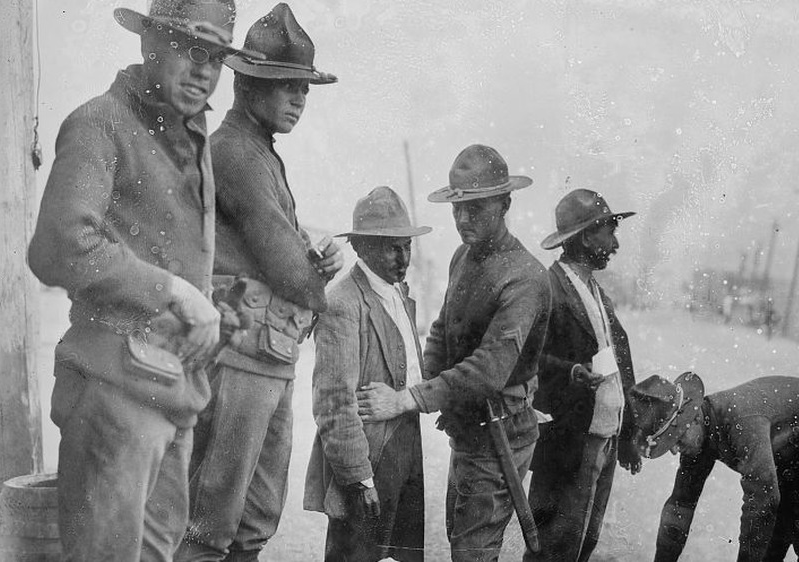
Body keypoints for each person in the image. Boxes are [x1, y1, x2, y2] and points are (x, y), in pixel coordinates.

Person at [26, 0, 260, 559]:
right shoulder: (99, 122)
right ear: (149, 45)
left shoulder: (190, 136)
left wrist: (216, 307)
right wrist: (175, 292)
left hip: (172, 394)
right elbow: (58, 246)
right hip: (113, 394)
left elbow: (172, 251)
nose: (205, 70)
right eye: (190, 49)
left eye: (218, 58)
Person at [175, 4, 342, 560]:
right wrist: (317, 280)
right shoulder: (236, 153)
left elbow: (288, 255)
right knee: (212, 518)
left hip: (267, 353)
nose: (299, 99)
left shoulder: (259, 152)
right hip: (242, 352)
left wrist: (308, 265)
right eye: (287, 86)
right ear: (247, 85)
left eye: (304, 89)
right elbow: (290, 268)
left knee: (256, 516)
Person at [356, 144, 552, 561]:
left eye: (476, 209)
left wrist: (408, 399)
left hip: (501, 431)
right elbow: (444, 330)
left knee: (473, 548)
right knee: (461, 535)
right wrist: (422, 381)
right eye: (457, 209)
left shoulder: (525, 277)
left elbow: (488, 369)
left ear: (505, 204)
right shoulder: (463, 256)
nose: (463, 220)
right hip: (468, 428)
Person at [304, 186, 432, 562]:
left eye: (406, 245)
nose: (402, 256)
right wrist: (359, 478)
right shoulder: (342, 302)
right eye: (391, 247)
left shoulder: (398, 294)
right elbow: (333, 404)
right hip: (367, 464)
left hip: (407, 452)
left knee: (407, 555)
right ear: (361, 248)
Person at [629, 373, 799, 562]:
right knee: (770, 547)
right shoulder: (698, 438)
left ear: (692, 418)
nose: (674, 449)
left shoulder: (740, 421)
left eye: (676, 438)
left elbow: (763, 500)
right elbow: (680, 505)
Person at [525, 189, 641, 562]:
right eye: (611, 232)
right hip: (567, 446)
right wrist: (571, 372)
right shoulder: (548, 289)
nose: (616, 244)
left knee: (582, 545)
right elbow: (526, 359)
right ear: (588, 235)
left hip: (602, 440)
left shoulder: (594, 291)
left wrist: (628, 431)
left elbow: (617, 364)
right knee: (553, 550)